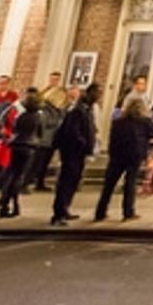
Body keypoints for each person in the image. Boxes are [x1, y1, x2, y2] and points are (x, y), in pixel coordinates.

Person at [94, 98, 153, 222]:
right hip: (134, 155)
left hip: (118, 155)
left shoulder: (118, 122)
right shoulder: (145, 122)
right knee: (130, 183)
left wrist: (111, 152)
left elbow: (112, 139)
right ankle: (128, 212)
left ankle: (100, 212)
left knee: (109, 184)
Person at [51, 83, 97, 226]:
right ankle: (59, 213)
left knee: (73, 181)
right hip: (72, 152)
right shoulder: (78, 110)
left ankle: (65, 208)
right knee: (67, 180)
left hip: (79, 152)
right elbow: (73, 131)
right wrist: (83, 144)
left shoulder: (86, 110)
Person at [0, 88, 41, 219]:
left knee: (12, 174)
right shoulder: (37, 117)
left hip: (15, 145)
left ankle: (8, 203)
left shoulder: (21, 116)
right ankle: (7, 202)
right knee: (18, 177)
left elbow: (14, 129)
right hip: (28, 147)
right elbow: (39, 133)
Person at [31, 71, 68, 191]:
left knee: (44, 159)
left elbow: (58, 106)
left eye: (56, 79)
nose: (53, 81)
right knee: (38, 158)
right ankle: (33, 179)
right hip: (41, 131)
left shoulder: (60, 93)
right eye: (52, 79)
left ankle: (39, 180)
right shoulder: (44, 91)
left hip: (51, 133)